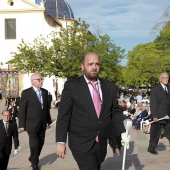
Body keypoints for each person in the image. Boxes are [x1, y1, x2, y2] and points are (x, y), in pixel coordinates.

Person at [55, 52, 126, 170]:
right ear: (82, 66)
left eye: (97, 64)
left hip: (101, 142)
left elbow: (115, 114)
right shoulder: (72, 86)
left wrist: (117, 140)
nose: (94, 67)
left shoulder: (109, 86)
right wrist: (60, 142)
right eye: (90, 64)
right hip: (80, 142)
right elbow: (63, 115)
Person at [18, 73, 52, 170]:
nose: (41, 81)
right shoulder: (26, 93)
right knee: (34, 144)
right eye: (39, 80)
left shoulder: (45, 92)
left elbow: (46, 109)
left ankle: (32, 157)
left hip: (42, 123)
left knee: (41, 143)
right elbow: (22, 110)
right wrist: (21, 125)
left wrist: (49, 121)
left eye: (42, 80)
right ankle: (35, 163)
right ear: (33, 81)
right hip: (31, 124)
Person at [148, 72, 170, 155]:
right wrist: (154, 115)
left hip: (168, 116)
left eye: (167, 77)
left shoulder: (168, 88)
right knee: (155, 133)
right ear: (160, 79)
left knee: (169, 132)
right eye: (164, 78)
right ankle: (151, 148)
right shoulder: (155, 88)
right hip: (159, 116)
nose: (166, 79)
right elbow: (153, 103)